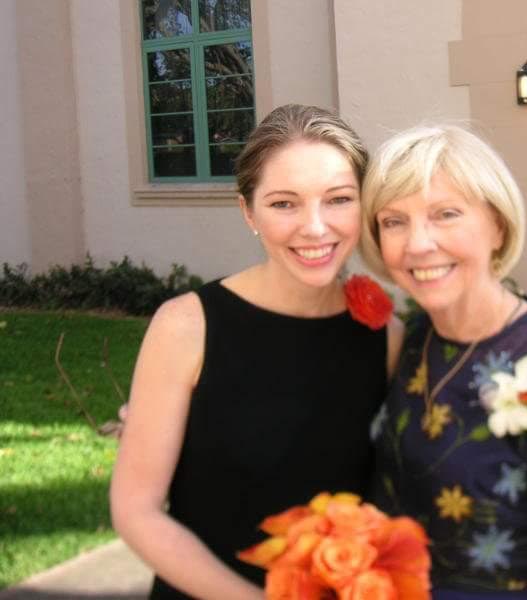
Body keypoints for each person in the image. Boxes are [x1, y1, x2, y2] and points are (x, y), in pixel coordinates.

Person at [110, 104, 403, 600]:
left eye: (338, 199)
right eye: (284, 204)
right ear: (248, 212)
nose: (315, 227)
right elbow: (136, 510)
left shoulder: (385, 336)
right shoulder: (187, 327)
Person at [360, 124, 527, 599]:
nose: (417, 243)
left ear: (498, 226)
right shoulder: (416, 336)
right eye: (394, 221)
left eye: (445, 214)